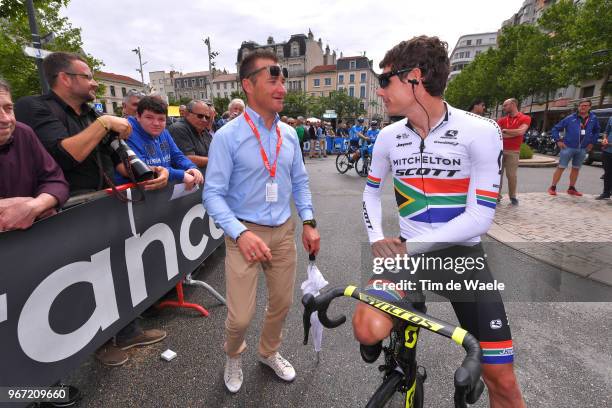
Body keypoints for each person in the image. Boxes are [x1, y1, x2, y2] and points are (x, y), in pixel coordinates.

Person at [355, 36, 525, 407]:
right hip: (409, 256)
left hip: (460, 259)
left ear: (414, 77)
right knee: (366, 327)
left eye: (385, 81)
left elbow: (480, 216)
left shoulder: (480, 130)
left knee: (504, 383)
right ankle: (399, 357)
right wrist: (376, 238)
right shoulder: (387, 137)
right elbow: (369, 192)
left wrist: (407, 248)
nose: (380, 91)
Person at [14, 52, 169, 367]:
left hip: (101, 202)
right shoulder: (34, 107)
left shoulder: (89, 114)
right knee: (83, 279)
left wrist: (154, 172)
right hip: (65, 210)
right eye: (88, 76)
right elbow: (65, 156)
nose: (95, 83)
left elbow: (119, 164)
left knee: (118, 267)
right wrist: (103, 123)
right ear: (65, 78)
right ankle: (94, 344)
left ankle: (127, 330)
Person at [203, 49, 320, 393]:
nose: (282, 86)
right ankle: (233, 356)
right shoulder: (227, 137)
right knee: (240, 316)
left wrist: (309, 221)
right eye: (273, 78)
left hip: (283, 232)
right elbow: (212, 194)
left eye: (283, 79)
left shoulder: (289, 135)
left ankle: (268, 352)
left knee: (282, 303)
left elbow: (299, 181)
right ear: (248, 85)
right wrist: (240, 234)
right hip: (244, 234)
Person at [0, 78, 69, 231]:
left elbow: (55, 180)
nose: (5, 119)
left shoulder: (23, 133)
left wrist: (36, 206)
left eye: (8, 108)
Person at [116, 96, 203, 189]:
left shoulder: (164, 132)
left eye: (161, 119)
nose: (156, 123)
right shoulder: (127, 132)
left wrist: (192, 167)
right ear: (138, 116)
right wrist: (181, 175)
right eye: (149, 117)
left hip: (160, 193)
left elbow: (177, 156)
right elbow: (142, 167)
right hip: (134, 195)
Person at [547, 99, 600, 197]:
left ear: (589, 107)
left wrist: (592, 142)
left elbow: (597, 131)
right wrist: (558, 140)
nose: (583, 107)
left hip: (582, 149)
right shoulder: (570, 118)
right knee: (561, 167)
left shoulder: (593, 118)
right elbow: (555, 128)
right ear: (578, 106)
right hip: (568, 147)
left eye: (585, 105)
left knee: (576, 169)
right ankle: (552, 187)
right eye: (581, 105)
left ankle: (571, 188)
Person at [497, 98, 531, 206]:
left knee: (511, 175)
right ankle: (497, 196)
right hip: (500, 151)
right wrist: (514, 133)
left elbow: (521, 131)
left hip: (513, 151)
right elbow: (497, 134)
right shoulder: (502, 120)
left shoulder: (525, 118)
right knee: (498, 175)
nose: (504, 107)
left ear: (512, 104)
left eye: (505, 105)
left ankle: (513, 196)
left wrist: (506, 131)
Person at [169, 99, 213, 170]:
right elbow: (187, 158)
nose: (204, 120)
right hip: (188, 178)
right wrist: (214, 160)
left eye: (207, 117)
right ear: (187, 114)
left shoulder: (203, 130)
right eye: (200, 116)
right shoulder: (178, 129)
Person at [598, 116, 612, 200]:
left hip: (609, 146)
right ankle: (606, 193)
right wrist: (604, 139)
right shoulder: (611, 118)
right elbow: (606, 132)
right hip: (608, 151)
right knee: (607, 173)